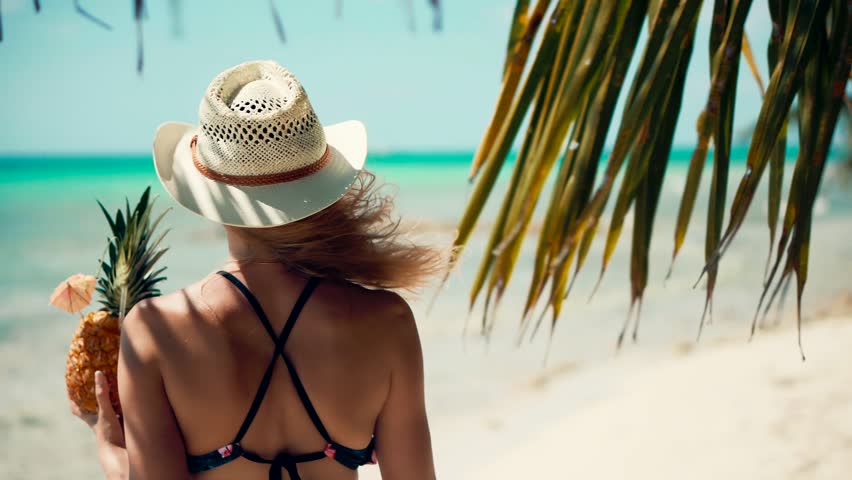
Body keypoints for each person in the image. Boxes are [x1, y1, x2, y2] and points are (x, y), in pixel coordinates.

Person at [70, 60, 442, 480]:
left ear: (209, 193)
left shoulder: (154, 331)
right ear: (318, 181)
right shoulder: (388, 322)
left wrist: (109, 445)